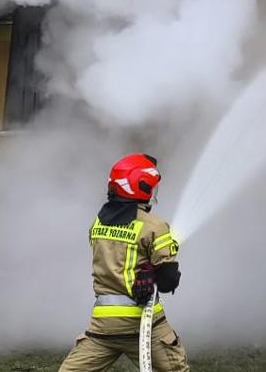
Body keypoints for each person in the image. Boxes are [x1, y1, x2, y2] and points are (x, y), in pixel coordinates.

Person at [57, 153, 189, 372]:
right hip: (146, 326)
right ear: (142, 187)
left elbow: (118, 259)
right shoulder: (154, 227)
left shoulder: (98, 223)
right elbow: (168, 282)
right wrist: (159, 268)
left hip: (103, 329)